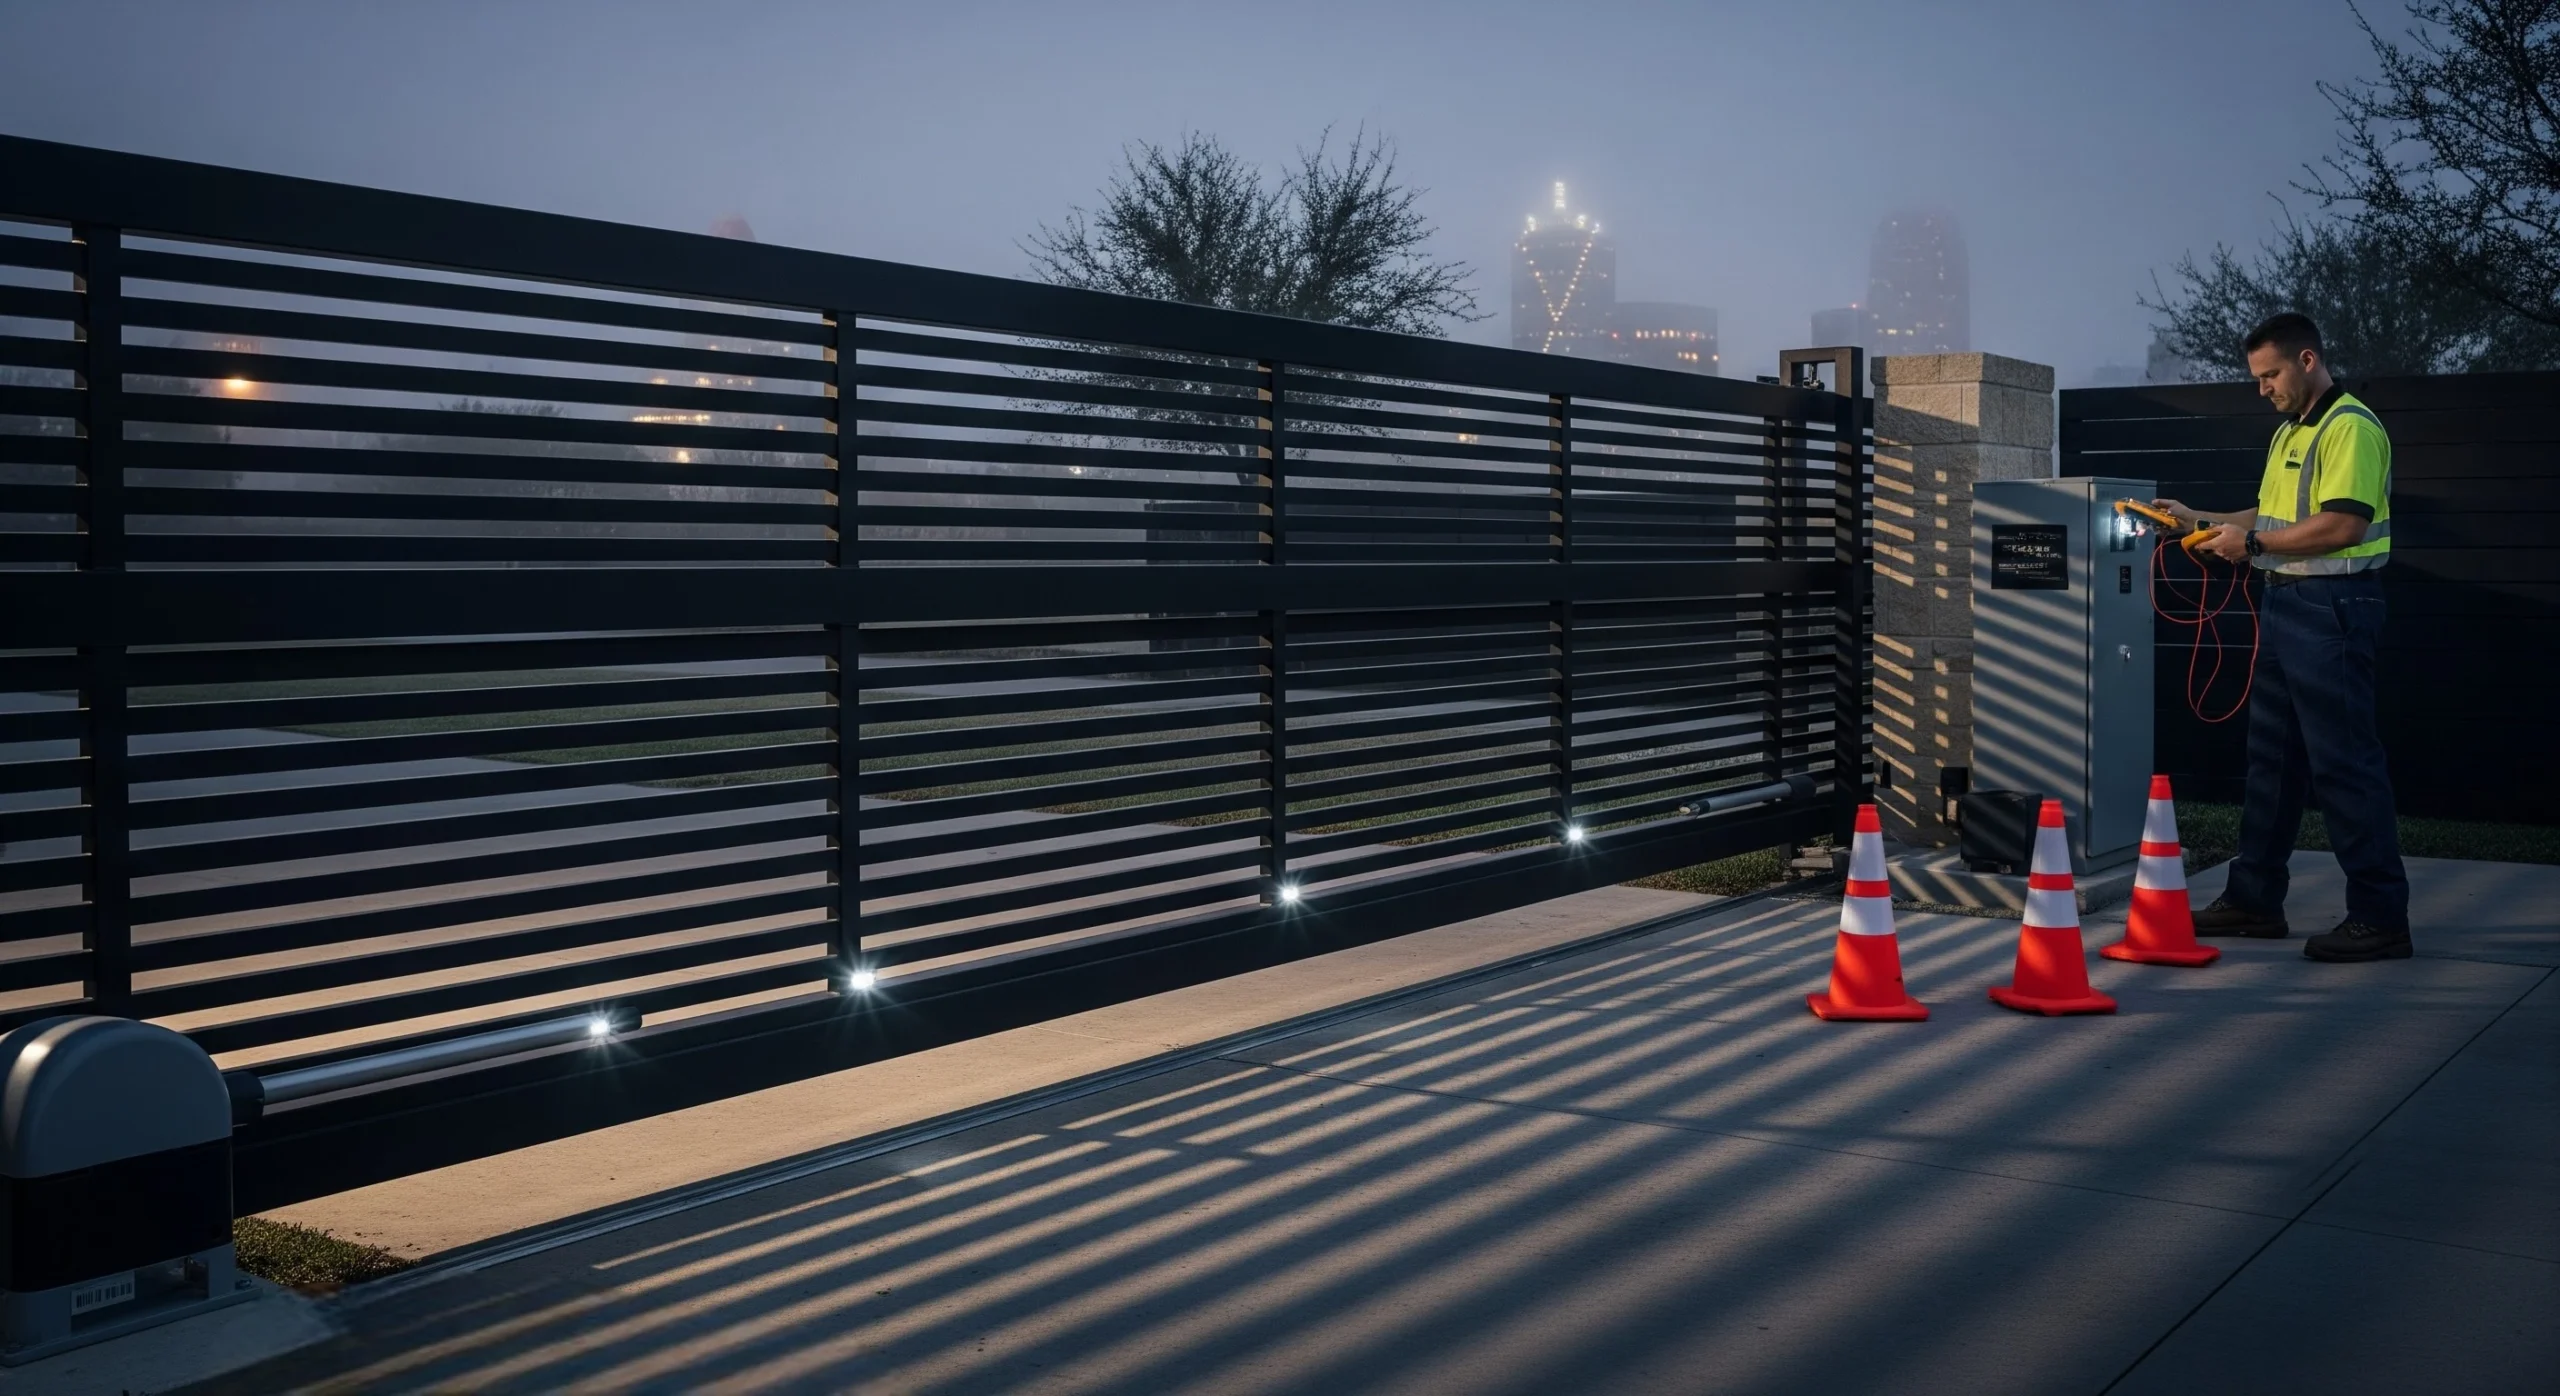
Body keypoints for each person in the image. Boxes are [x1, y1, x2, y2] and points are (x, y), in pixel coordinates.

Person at [2151, 312, 2411, 962]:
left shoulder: (2348, 426)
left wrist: (2255, 545)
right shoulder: (2291, 433)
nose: (2261, 388)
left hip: (2333, 608)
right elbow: (2265, 517)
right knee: (2273, 762)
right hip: (2290, 604)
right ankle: (2254, 901)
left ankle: (2380, 917)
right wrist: (2199, 520)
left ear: (2306, 361)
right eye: (2256, 378)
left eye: (2269, 375)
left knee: (2344, 763)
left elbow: (2343, 526)